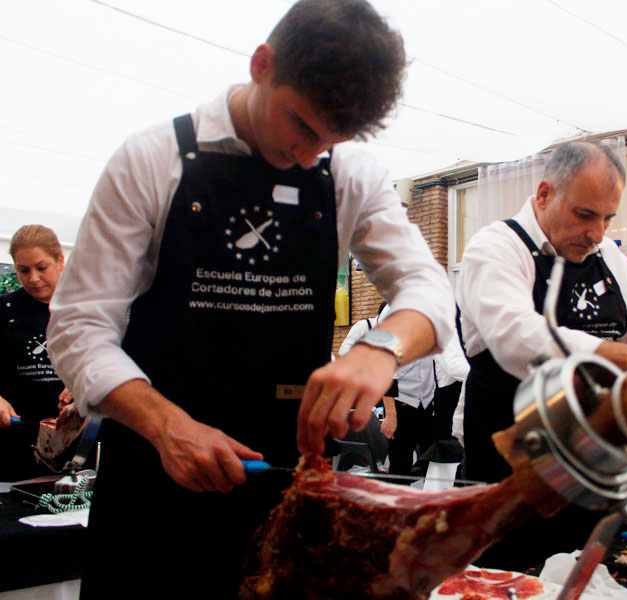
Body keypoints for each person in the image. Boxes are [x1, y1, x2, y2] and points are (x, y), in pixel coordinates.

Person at [46, 1, 453, 597]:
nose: (312, 155)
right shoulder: (150, 160)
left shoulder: (350, 175)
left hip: (279, 485)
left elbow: (428, 288)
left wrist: (381, 348)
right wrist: (165, 427)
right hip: (151, 480)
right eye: (304, 127)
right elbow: (79, 327)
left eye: (333, 140)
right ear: (262, 65)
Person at [456, 140, 627, 569]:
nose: (596, 232)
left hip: (594, 483)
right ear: (544, 194)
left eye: (607, 217)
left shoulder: (609, 256)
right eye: (585, 215)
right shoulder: (496, 248)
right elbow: (516, 336)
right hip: (511, 485)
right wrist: (622, 358)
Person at [0, 225, 73, 482]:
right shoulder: (5, 310)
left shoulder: (88, 309)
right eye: (23, 270)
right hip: (13, 451)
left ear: (60, 260)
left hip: (76, 454)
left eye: (41, 268)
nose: (33, 278)